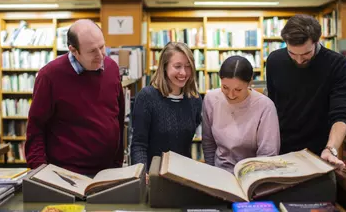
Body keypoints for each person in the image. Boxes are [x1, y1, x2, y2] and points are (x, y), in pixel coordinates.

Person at [25, 19, 125, 175]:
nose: (100, 55)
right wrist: (40, 172)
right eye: (92, 51)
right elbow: (35, 128)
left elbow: (118, 117)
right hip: (66, 174)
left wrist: (117, 163)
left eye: (102, 47)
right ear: (73, 50)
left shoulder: (112, 68)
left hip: (107, 171)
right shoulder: (49, 76)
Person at [266, 14, 346, 167]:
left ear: (316, 41)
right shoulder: (274, 61)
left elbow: (341, 114)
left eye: (306, 54)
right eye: (292, 54)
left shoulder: (337, 64)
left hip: (320, 153)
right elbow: (272, 106)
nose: (299, 60)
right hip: (281, 150)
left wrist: (330, 149)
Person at [130, 42, 202, 174]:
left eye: (188, 66)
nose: (183, 72)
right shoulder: (147, 97)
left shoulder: (194, 100)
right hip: (153, 177)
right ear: (164, 67)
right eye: (177, 66)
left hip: (184, 176)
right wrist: (143, 176)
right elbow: (139, 145)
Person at [202, 55, 280, 174]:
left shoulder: (265, 106)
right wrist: (211, 175)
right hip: (220, 173)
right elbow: (208, 144)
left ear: (250, 83)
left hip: (253, 175)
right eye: (225, 87)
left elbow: (267, 155)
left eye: (238, 90)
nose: (231, 95)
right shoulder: (211, 99)